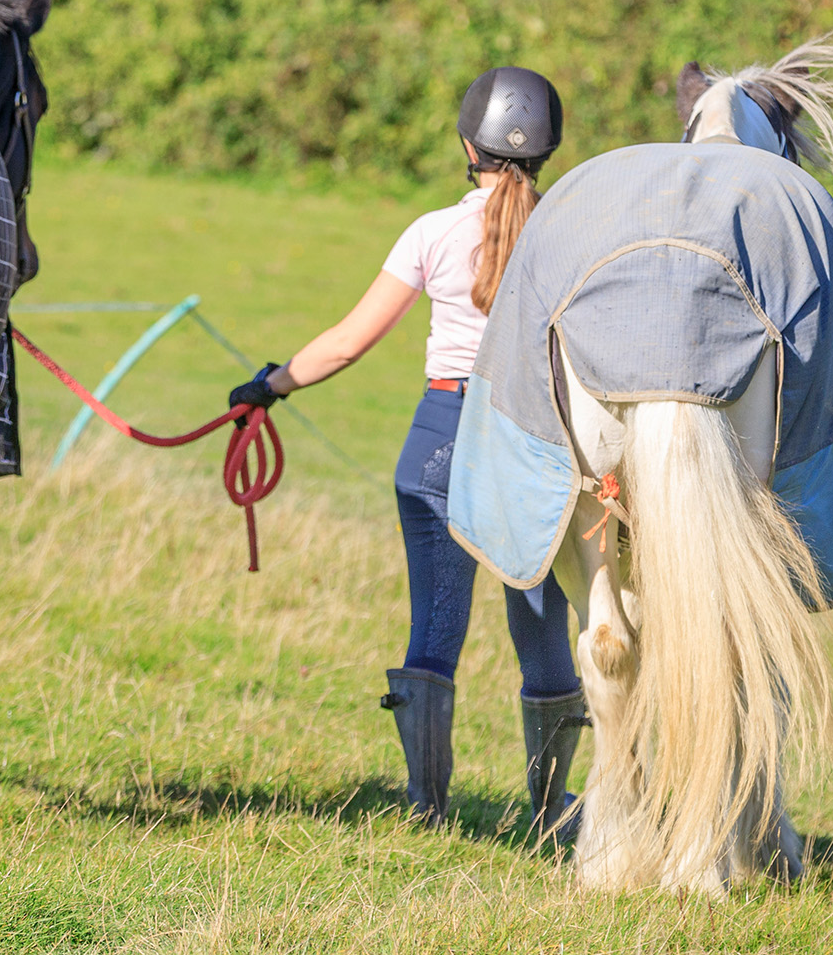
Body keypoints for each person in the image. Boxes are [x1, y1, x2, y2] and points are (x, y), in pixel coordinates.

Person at [227, 67, 586, 838]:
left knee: (434, 630)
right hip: (537, 442)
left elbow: (348, 342)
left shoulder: (432, 232)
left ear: (468, 145)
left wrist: (269, 386)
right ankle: (551, 812)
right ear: (548, 149)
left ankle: (427, 811)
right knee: (541, 633)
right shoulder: (573, 233)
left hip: (442, 438)